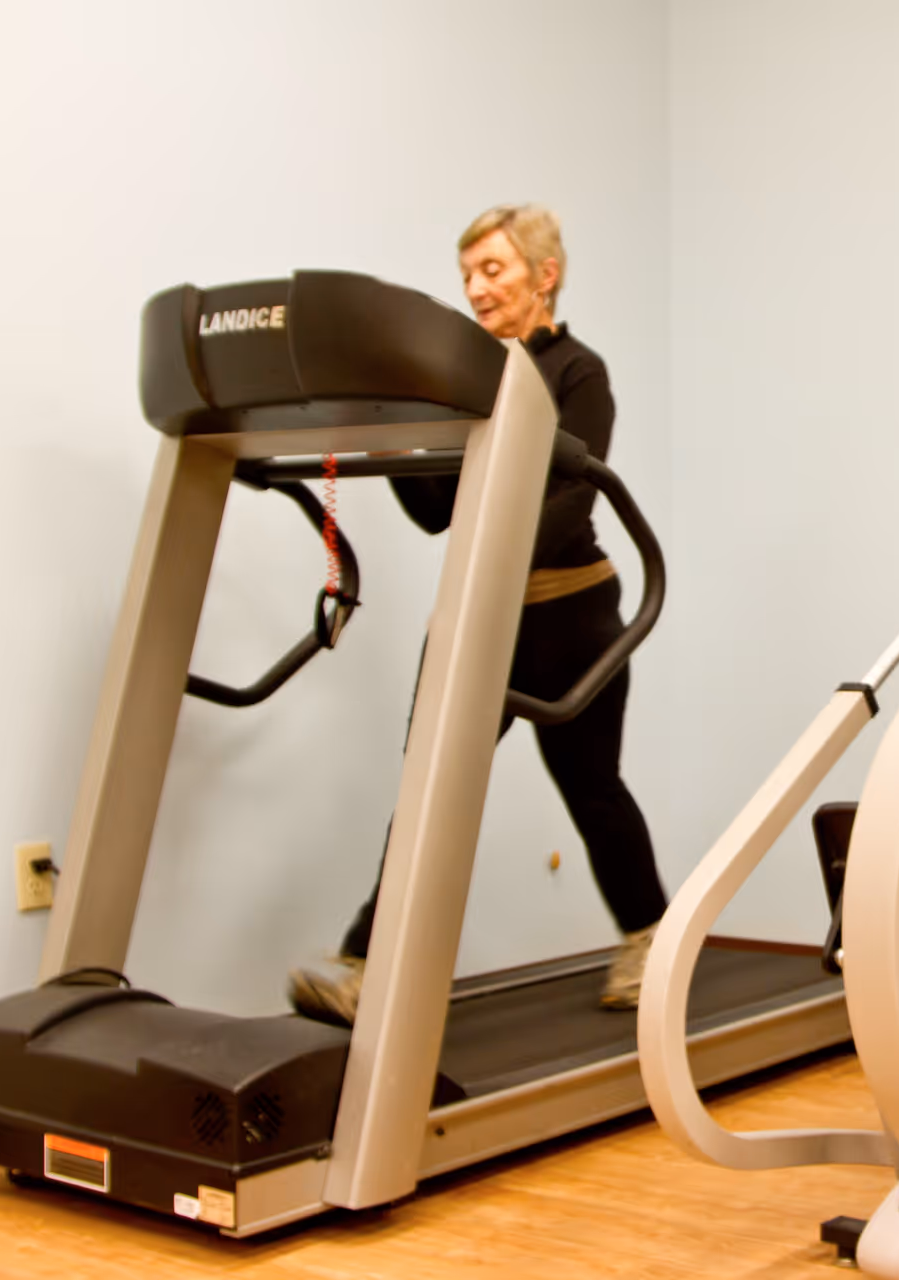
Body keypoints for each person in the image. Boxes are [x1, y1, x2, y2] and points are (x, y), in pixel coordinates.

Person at [289, 204, 668, 1023]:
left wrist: (488, 557)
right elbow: (436, 510)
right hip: (478, 620)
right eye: (467, 276)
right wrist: (392, 443)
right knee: (429, 787)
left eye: (492, 270)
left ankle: (650, 939)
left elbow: (570, 498)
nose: (476, 289)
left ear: (543, 275)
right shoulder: (467, 379)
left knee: (591, 788)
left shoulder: (578, 372)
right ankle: (365, 965)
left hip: (571, 617)